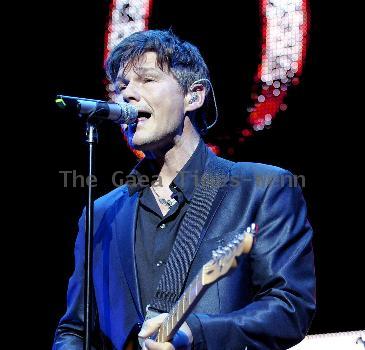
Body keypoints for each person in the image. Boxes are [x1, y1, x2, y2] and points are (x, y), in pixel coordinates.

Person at [53, 29, 316, 350]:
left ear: (194, 96)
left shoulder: (263, 189)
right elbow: (75, 330)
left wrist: (196, 333)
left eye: (146, 80)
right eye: (122, 87)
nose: (128, 95)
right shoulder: (101, 214)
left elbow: (289, 308)